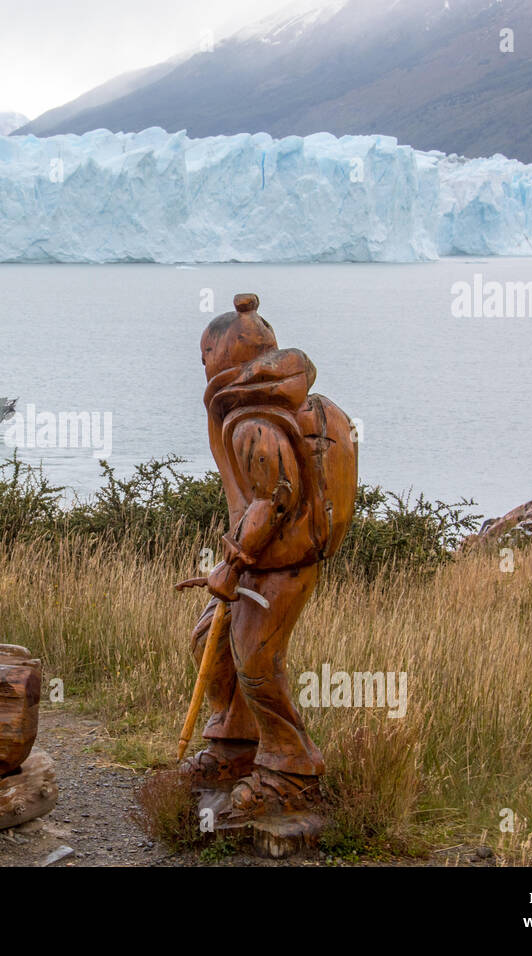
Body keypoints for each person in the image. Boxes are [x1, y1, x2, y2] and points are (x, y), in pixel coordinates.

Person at [179, 293, 357, 823]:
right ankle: (234, 745)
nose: (202, 364)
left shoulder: (251, 420)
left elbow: (273, 498)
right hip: (267, 561)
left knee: (256, 662)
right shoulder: (267, 403)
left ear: (222, 354)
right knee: (210, 644)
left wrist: (231, 564)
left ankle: (290, 772)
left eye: (204, 353)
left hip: (278, 564)